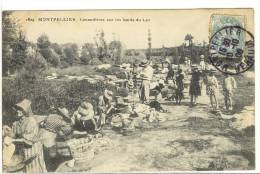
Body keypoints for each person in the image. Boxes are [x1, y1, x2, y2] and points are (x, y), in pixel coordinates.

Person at [8, 99, 47, 173]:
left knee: (33, 169)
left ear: (25, 111)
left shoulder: (31, 121)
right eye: (17, 109)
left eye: (20, 109)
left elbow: (29, 138)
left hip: (33, 149)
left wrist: (14, 140)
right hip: (23, 149)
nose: (18, 111)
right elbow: (14, 135)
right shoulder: (16, 123)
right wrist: (8, 132)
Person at [38, 107, 72, 171]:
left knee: (41, 152)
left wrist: (46, 126)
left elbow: (41, 123)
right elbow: (63, 133)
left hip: (41, 133)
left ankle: (42, 168)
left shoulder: (50, 115)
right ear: (63, 115)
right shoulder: (62, 122)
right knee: (49, 154)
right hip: (49, 137)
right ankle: (50, 169)